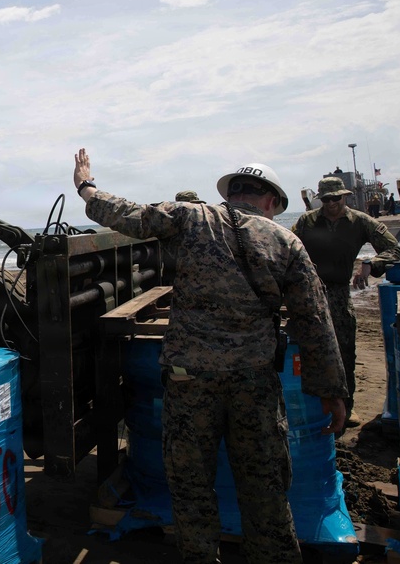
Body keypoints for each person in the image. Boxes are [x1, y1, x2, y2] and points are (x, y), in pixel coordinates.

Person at [73, 149, 346, 564]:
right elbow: (314, 320)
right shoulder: (286, 240)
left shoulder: (191, 217)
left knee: (190, 487)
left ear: (232, 193)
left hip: (188, 381)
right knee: (265, 489)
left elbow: (127, 214)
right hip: (254, 384)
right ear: (271, 201)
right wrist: (331, 391)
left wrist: (85, 186)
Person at [291, 176, 400, 427]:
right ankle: (313, 406)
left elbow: (393, 250)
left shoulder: (360, 222)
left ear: (344, 196)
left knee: (344, 351)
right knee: (304, 350)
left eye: (336, 198)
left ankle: (347, 406)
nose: (331, 203)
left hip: (340, 295)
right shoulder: (306, 222)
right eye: (327, 199)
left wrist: (370, 264)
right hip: (308, 293)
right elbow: (286, 251)